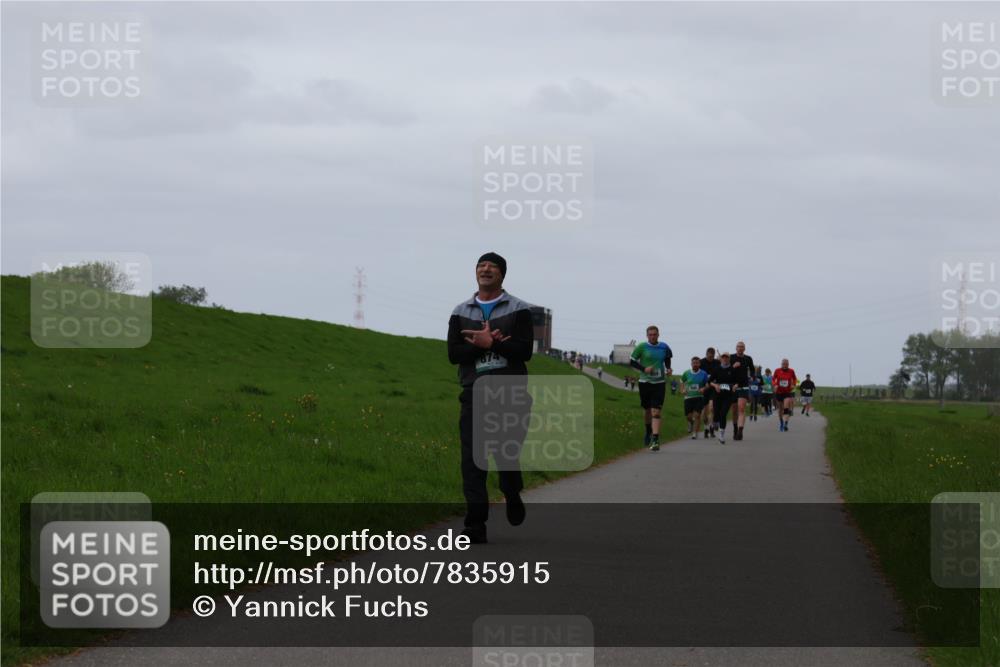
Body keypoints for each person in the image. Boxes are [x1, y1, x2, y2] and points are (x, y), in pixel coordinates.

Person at [447, 252, 533, 544]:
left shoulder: (519, 309)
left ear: (502, 274)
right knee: (473, 460)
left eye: (492, 266)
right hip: (474, 392)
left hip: (511, 392)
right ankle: (475, 525)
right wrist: (486, 344)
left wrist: (490, 343)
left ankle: (511, 491)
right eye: (481, 265)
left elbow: (524, 351)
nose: (485, 269)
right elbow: (454, 354)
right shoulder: (460, 312)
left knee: (506, 454)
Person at [629, 325, 673, 451]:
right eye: (650, 335)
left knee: (656, 411)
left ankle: (655, 439)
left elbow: (667, 359)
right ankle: (648, 431)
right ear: (647, 336)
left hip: (659, 383)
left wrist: (668, 369)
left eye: (655, 334)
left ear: (658, 335)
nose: (653, 336)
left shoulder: (664, 347)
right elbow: (632, 361)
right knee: (647, 410)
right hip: (645, 382)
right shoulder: (642, 347)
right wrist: (644, 369)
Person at [709, 352, 737, 444]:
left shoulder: (732, 370)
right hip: (717, 395)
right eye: (723, 357)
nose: (725, 359)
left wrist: (735, 386)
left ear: (729, 359)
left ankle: (721, 435)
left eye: (726, 357)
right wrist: (715, 385)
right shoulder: (716, 369)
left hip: (728, 396)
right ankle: (715, 422)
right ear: (721, 359)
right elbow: (709, 381)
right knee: (716, 413)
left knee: (723, 413)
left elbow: (737, 381)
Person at [729, 341, 755, 441]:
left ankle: (740, 431)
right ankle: (735, 428)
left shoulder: (748, 358)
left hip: (744, 386)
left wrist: (752, 377)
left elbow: (752, 370)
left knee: (741, 409)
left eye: (742, 347)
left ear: (744, 348)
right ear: (736, 348)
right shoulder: (731, 358)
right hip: (733, 387)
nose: (740, 348)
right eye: (738, 346)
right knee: (734, 411)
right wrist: (733, 366)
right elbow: (726, 371)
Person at [681, 356, 709, 439]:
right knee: (689, 416)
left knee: (697, 415)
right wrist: (682, 390)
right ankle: (690, 422)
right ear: (691, 364)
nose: (695, 364)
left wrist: (703, 388)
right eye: (694, 363)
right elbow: (681, 381)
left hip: (699, 397)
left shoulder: (703, 373)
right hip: (688, 397)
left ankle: (694, 433)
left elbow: (707, 384)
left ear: (699, 364)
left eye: (697, 363)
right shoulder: (686, 373)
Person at [699, 347, 722, 438]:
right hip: (704, 388)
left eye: (712, 356)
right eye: (709, 356)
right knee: (704, 411)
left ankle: (711, 427)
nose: (710, 358)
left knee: (712, 408)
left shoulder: (717, 363)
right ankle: (706, 428)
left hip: (713, 388)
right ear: (706, 354)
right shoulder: (701, 362)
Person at [772, 359, 798, 432]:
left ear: (788, 364)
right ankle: (781, 422)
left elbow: (795, 379)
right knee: (780, 409)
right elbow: (773, 379)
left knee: (786, 408)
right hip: (779, 392)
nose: (785, 365)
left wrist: (793, 385)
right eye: (783, 364)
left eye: (786, 364)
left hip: (787, 392)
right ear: (781, 364)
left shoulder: (791, 371)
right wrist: (775, 385)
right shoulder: (777, 370)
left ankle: (786, 424)